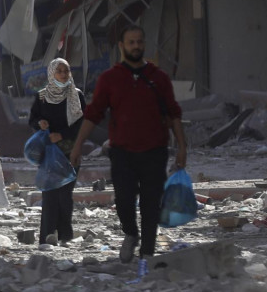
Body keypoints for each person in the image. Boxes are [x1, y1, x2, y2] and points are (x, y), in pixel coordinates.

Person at [70, 25, 187, 264]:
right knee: (123, 201)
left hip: (155, 151)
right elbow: (93, 114)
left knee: (151, 204)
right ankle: (131, 234)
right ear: (122, 47)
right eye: (131, 42)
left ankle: (147, 253)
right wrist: (77, 146)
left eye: (139, 42)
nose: (136, 46)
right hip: (122, 152)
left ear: (144, 45)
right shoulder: (110, 79)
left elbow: (174, 113)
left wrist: (183, 147)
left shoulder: (159, 78)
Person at [28, 58, 86, 246]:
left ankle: (65, 236)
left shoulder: (76, 95)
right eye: (59, 71)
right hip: (49, 154)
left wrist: (62, 135)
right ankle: (47, 237)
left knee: (65, 195)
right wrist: (40, 124)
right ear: (51, 73)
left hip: (70, 151)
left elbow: (82, 124)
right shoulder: (42, 96)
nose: (63, 74)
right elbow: (33, 119)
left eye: (66, 71)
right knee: (50, 195)